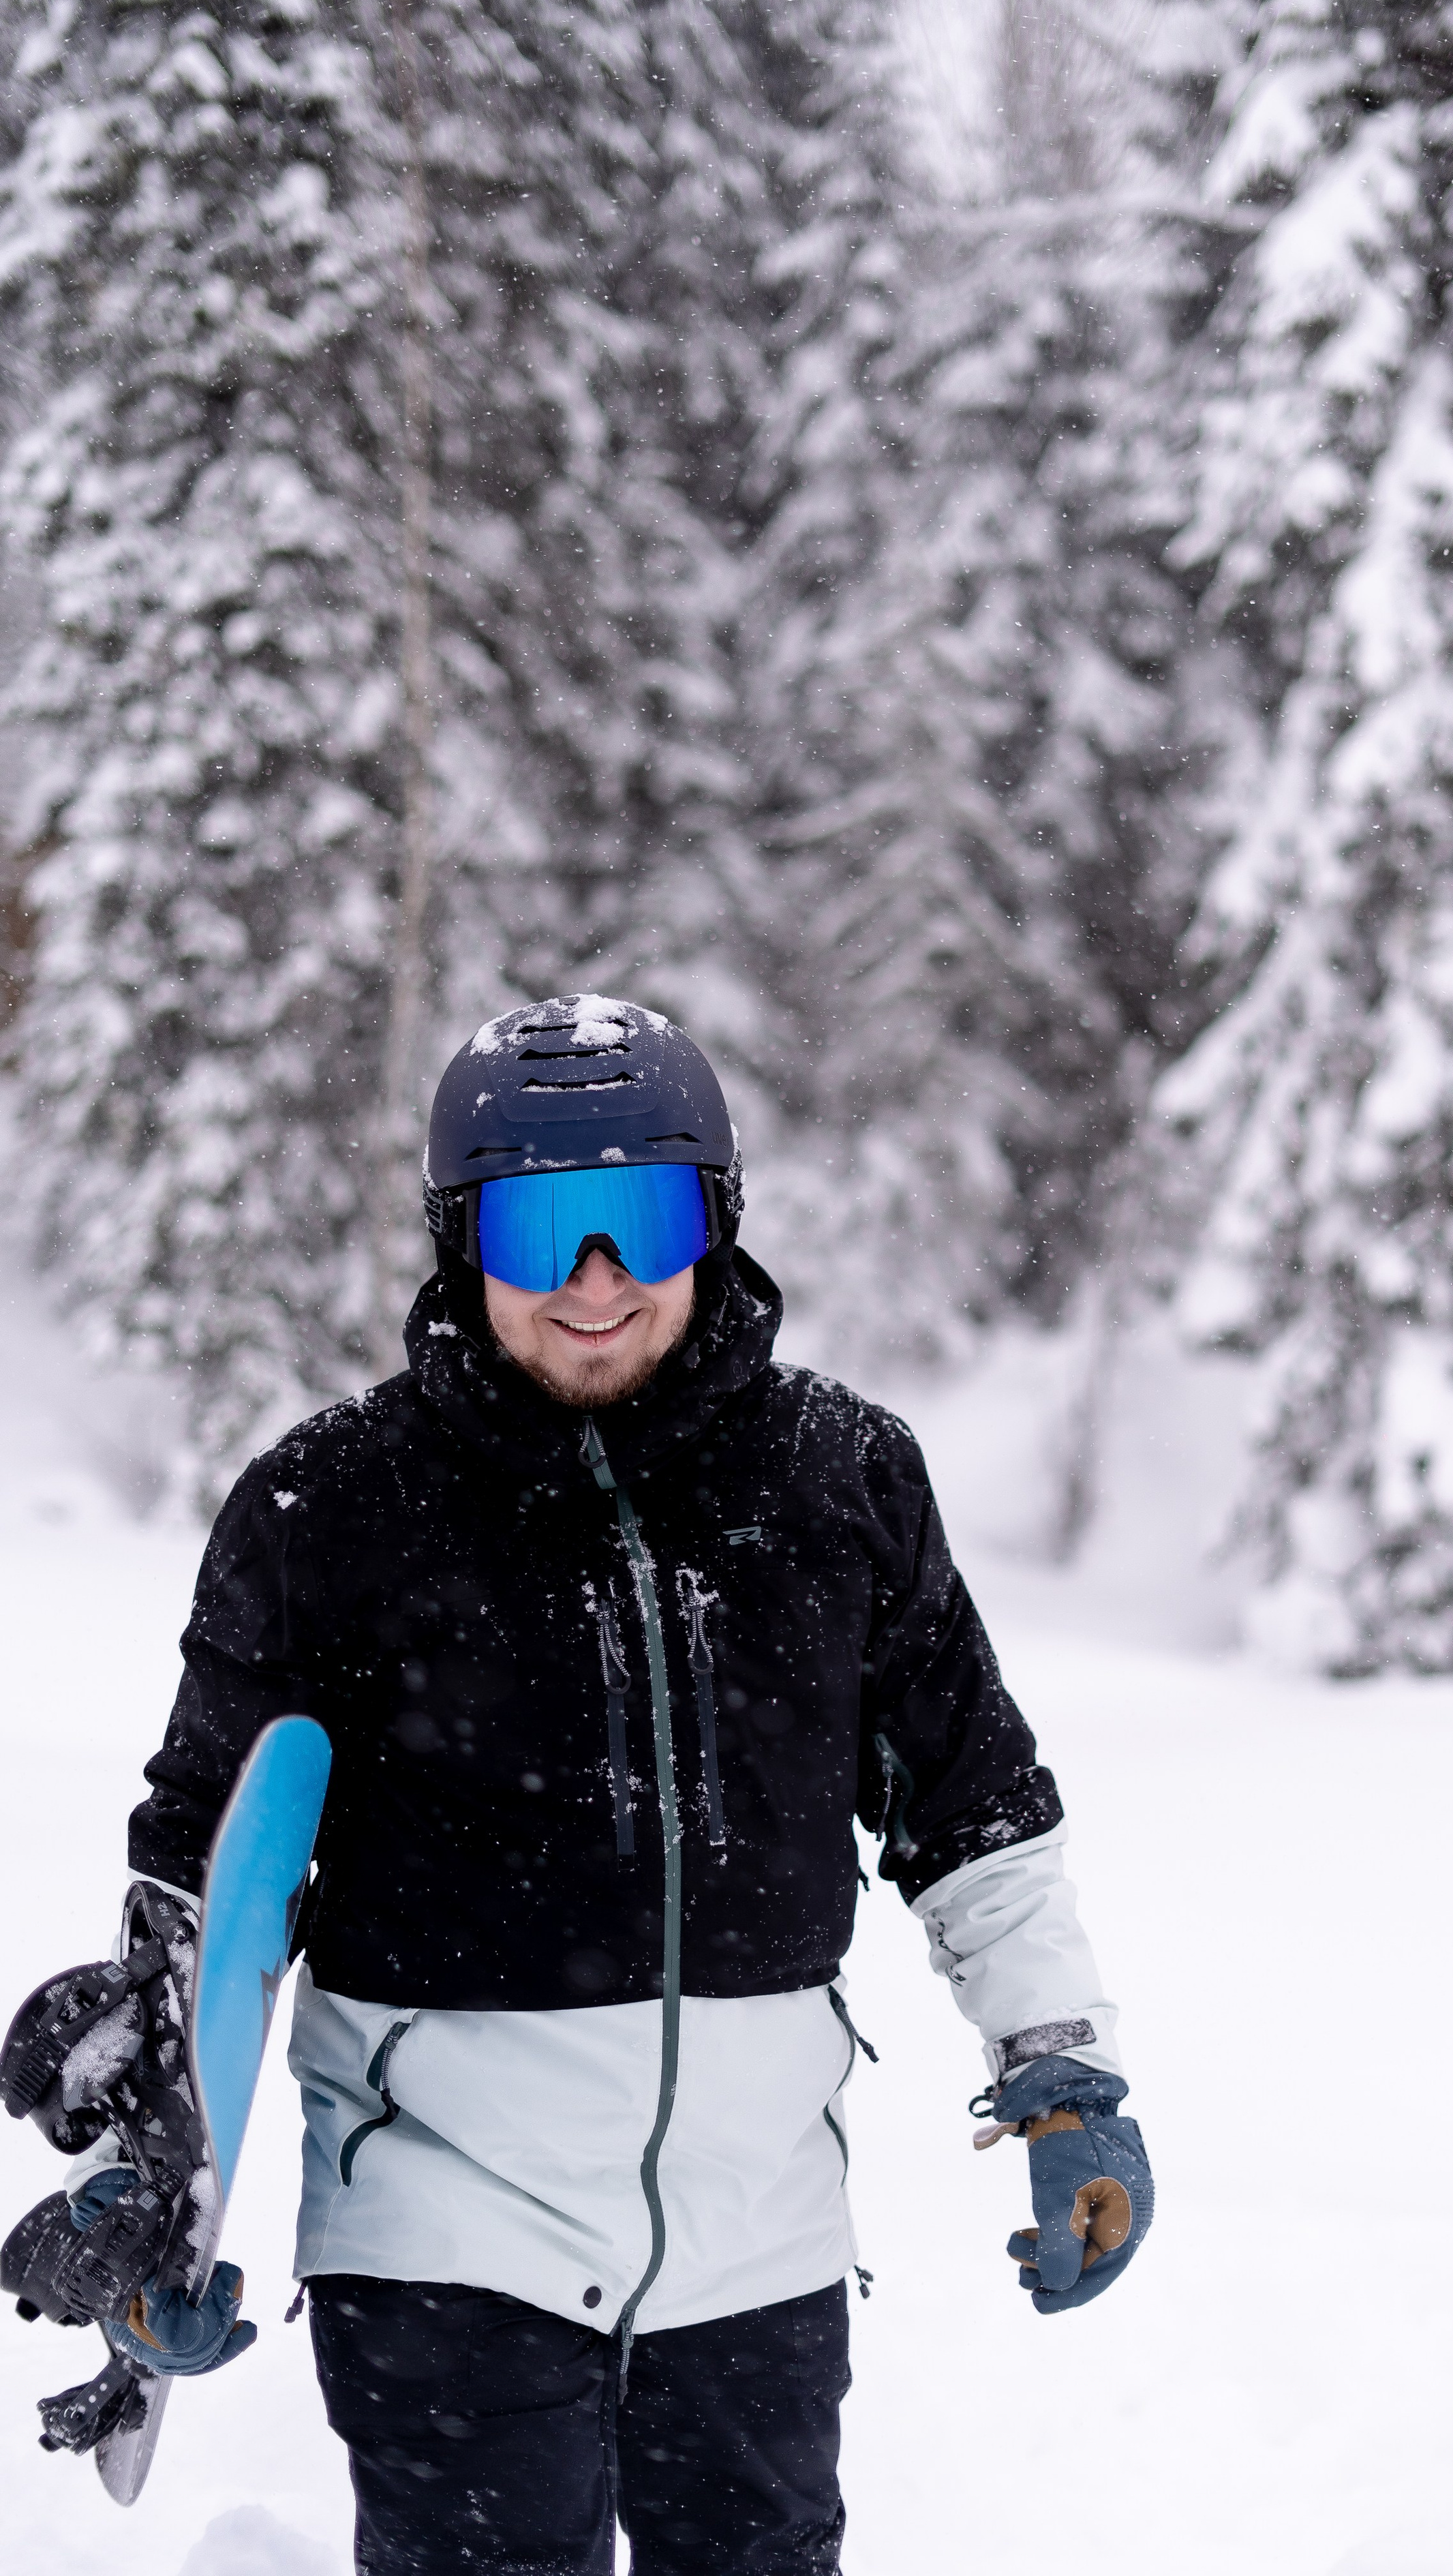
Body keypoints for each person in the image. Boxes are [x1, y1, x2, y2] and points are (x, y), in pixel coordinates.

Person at [124, 997, 1152, 2573]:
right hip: (441, 2236)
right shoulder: (326, 1506)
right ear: (465, 1241)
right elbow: (207, 1867)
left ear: (715, 1220)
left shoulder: (840, 1477)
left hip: (759, 2245)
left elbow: (972, 1797)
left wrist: (1060, 2072)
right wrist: (152, 2181)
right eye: (544, 1228)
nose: (596, 1282)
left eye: (643, 1217)